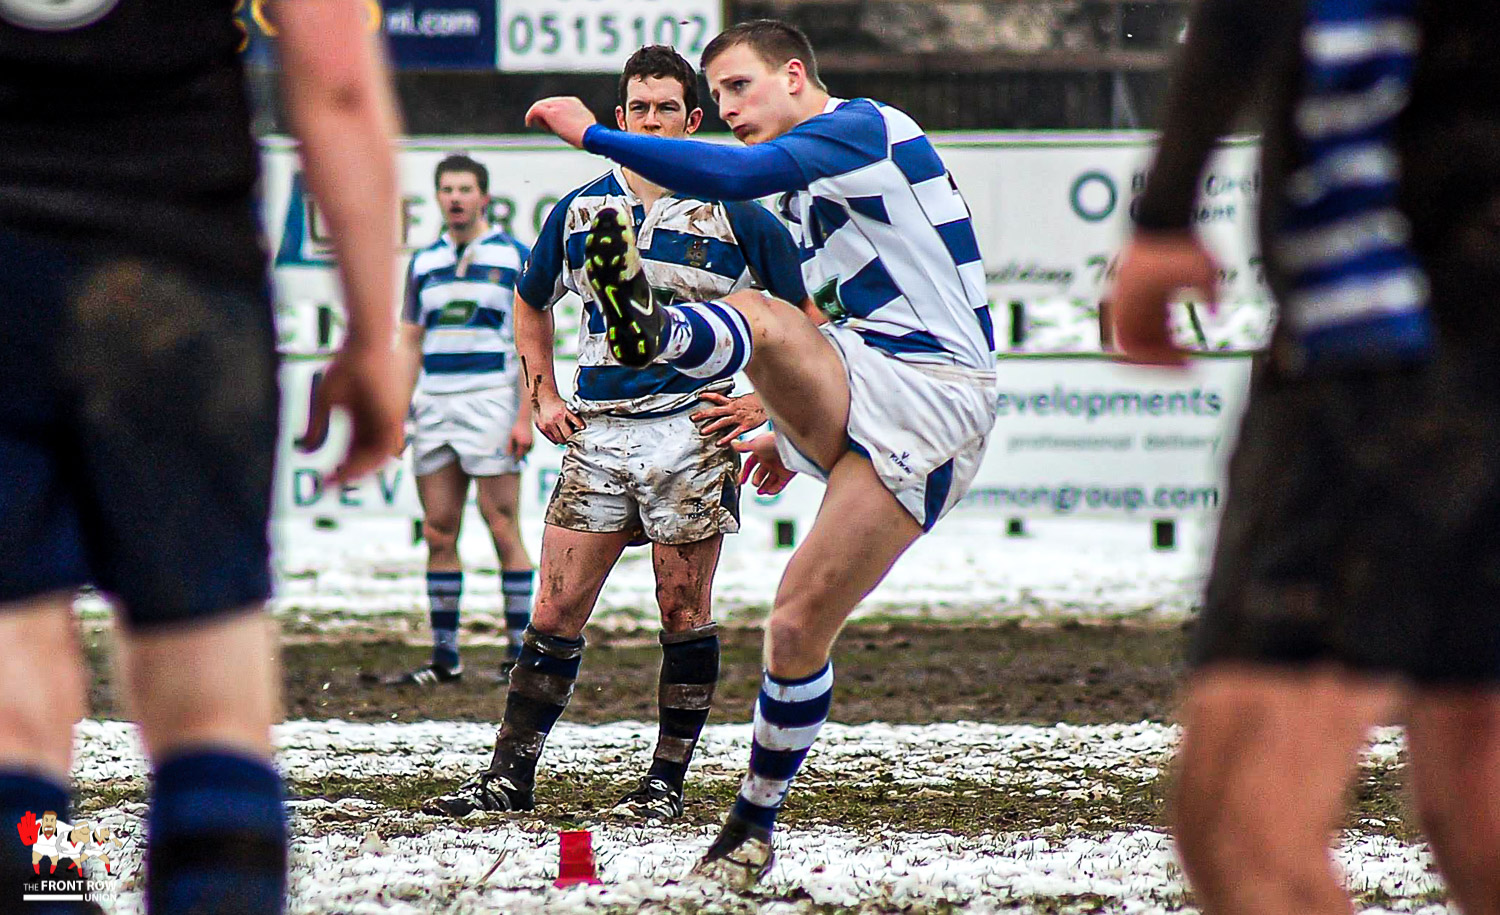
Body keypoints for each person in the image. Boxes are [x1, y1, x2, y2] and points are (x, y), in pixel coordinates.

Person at [524, 20, 998, 884]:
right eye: (722, 94)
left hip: (936, 389)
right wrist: (786, 423)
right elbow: (834, 320)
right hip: (867, 375)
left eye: (738, 88)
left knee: (759, 315)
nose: (729, 109)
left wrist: (592, 132)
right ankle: (748, 834)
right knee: (789, 628)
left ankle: (657, 328)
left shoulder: (865, 127)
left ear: (792, 75)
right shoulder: (803, 193)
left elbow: (739, 174)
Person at [0, 3, 405, 914]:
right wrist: (375, 334)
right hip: (176, 269)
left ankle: (44, 877)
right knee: (211, 710)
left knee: (16, 697)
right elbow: (335, 78)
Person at [1109, 1, 1500, 914]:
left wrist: (1166, 212)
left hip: (1392, 329)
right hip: (1422, 331)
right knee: (1476, 806)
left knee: (1243, 825)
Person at [423, 45, 808, 824]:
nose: (652, 119)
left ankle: (663, 784)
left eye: (668, 108)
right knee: (555, 610)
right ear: (621, 115)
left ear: (692, 119)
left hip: (694, 431)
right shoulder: (580, 211)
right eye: (639, 108)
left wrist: (767, 409)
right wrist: (544, 395)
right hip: (599, 432)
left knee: (682, 610)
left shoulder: (737, 212)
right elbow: (530, 305)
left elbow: (806, 322)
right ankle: (508, 777)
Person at [381, 154, 535, 686]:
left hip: (491, 402)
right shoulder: (423, 262)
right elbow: (410, 343)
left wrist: (525, 414)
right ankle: (445, 657)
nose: (456, 198)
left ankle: (520, 653)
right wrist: (397, 413)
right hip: (436, 406)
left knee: (502, 525)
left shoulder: (515, 256)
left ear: (485, 197)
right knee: (439, 530)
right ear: (438, 197)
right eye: (447, 189)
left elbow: (529, 342)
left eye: (465, 189)